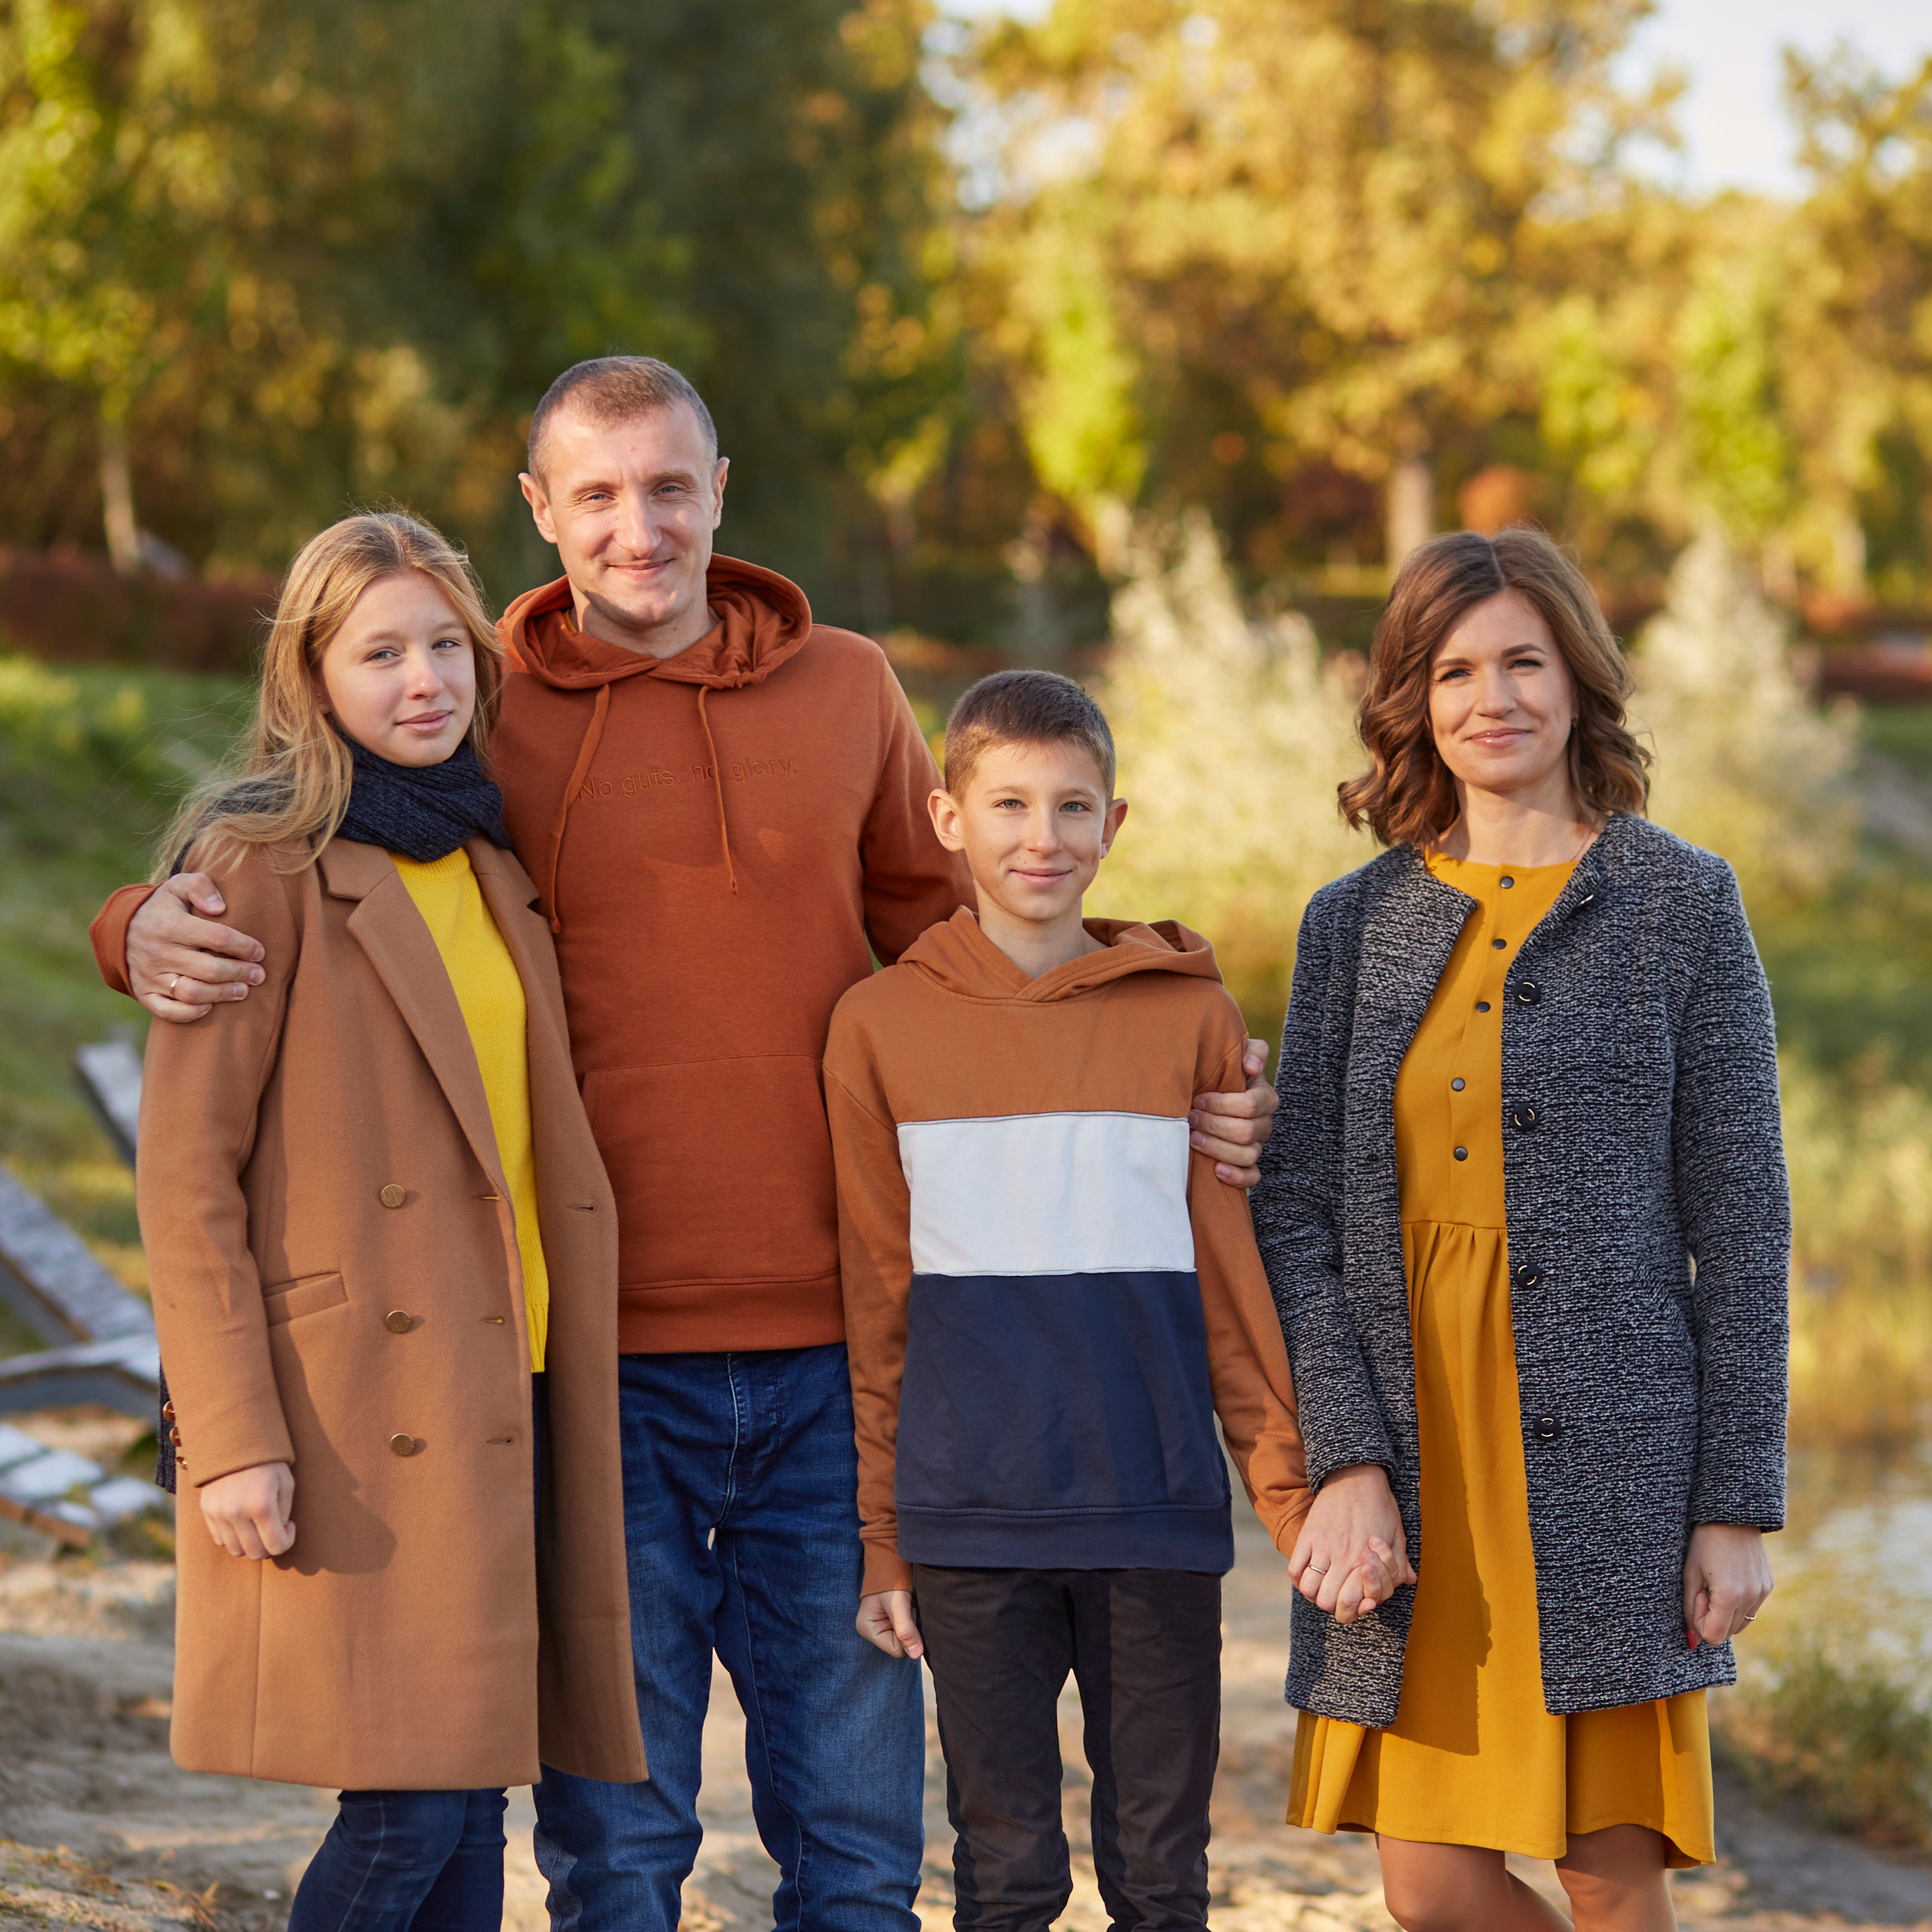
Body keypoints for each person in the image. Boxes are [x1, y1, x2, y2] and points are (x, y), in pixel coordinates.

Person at [90, 358, 1283, 1932]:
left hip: (835, 1354)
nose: (636, 526)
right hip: (586, 1372)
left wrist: (1172, 1030)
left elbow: (981, 937)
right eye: (595, 493)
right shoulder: (486, 712)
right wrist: (135, 923)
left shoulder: (848, 689)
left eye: (667, 486)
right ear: (540, 510)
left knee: (857, 1849)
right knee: (615, 1853)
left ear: (720, 489)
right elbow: (312, 830)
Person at [1251, 527, 1789, 1932]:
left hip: (1617, 1452)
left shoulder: (1683, 903)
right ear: (1413, 702)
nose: (1491, 698)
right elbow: (1296, 1215)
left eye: (1524, 663)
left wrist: (1735, 1505)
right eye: (1453, 672)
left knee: (1609, 1875)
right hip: (1414, 1445)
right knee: (1430, 1888)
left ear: (1579, 678)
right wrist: (1344, 1461)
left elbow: (1743, 1223)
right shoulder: (1350, 924)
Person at [134, 512, 645, 1932]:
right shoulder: (261, 864)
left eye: (443, 647)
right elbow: (185, 1176)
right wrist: (230, 1435)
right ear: (311, 675)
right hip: (353, 1402)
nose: (422, 681)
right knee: (409, 1806)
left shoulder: (490, 858)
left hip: (513, 1381)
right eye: (378, 654)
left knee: (472, 1795)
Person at [826, 670, 1395, 1932]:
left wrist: (1290, 1495)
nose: (1043, 837)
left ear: (1115, 823)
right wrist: (883, 1537)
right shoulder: (877, 1026)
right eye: (1010, 804)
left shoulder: (1187, 1019)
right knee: (1005, 1872)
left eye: (1073, 807)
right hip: (970, 1524)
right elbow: (879, 1303)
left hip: (1155, 1514)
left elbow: (1232, 1289)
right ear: (946, 819)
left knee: (1161, 1873)